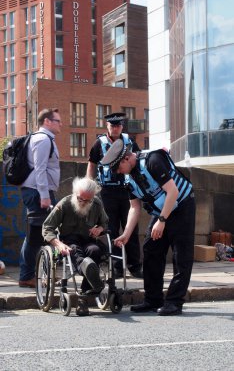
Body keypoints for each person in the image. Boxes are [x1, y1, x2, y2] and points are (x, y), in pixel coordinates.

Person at [100, 139, 196, 316]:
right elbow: (134, 207)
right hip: (163, 210)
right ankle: (153, 300)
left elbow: (173, 191)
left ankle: (175, 302)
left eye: (118, 168)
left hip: (182, 205)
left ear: (126, 159)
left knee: (180, 254)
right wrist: (126, 234)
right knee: (151, 249)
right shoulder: (128, 178)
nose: (118, 173)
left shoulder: (152, 161)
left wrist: (161, 220)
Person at [86, 112, 143, 279]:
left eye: (118, 125)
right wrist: (89, 186)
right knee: (111, 229)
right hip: (107, 192)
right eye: (112, 126)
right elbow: (91, 165)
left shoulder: (130, 142)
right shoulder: (99, 143)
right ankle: (117, 266)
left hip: (128, 190)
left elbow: (138, 161)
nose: (115, 128)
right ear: (107, 127)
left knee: (131, 228)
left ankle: (134, 266)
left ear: (122, 127)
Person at [42, 177, 108, 299]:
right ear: (75, 193)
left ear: (93, 197)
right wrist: (58, 244)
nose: (83, 202)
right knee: (74, 250)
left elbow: (105, 223)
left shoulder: (97, 204)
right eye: (80, 199)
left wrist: (99, 229)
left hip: (88, 240)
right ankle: (91, 274)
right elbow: (47, 227)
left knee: (95, 250)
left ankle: (86, 291)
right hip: (68, 241)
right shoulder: (65, 204)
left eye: (87, 200)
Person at [19, 108, 61, 288]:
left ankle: (39, 275)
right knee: (35, 235)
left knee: (39, 235)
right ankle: (27, 276)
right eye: (58, 121)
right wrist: (45, 196)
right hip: (38, 192)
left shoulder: (44, 139)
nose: (61, 124)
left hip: (38, 191)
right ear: (47, 121)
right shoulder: (43, 140)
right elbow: (40, 169)